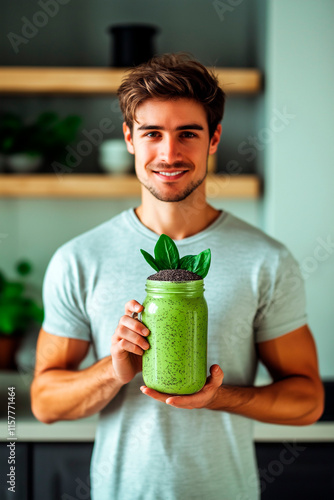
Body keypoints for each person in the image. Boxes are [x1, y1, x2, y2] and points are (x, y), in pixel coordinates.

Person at [31, 53, 324, 500]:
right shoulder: (79, 258)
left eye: (188, 133)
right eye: (152, 133)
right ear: (130, 138)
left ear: (214, 138)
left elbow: (308, 401)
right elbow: (43, 402)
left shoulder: (265, 259)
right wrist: (114, 369)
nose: (169, 153)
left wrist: (218, 397)